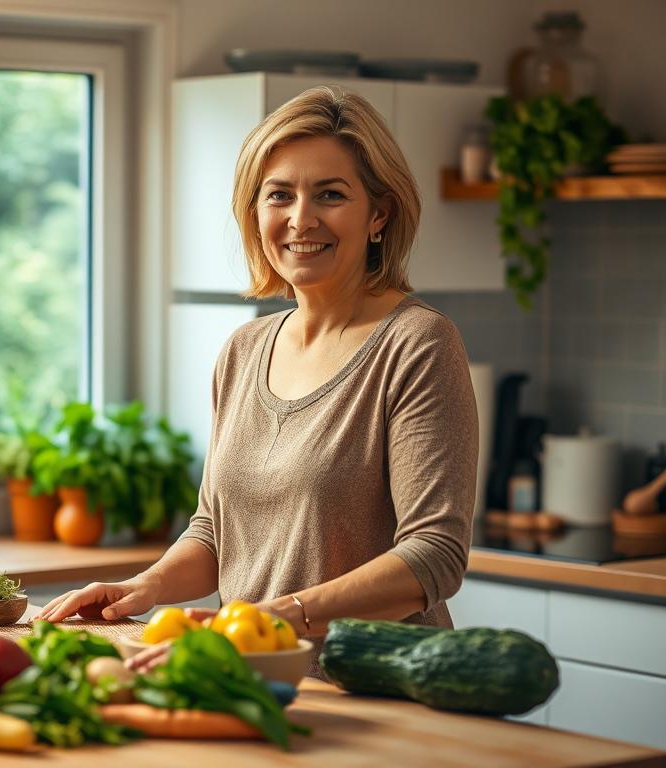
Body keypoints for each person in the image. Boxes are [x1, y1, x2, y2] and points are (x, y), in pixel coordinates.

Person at [36, 85, 479, 676]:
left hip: (373, 689)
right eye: (279, 195)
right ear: (256, 213)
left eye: (330, 194)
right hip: (250, 676)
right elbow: (215, 532)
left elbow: (434, 557)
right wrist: (143, 587)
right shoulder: (244, 350)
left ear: (379, 214)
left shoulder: (417, 344)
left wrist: (276, 619)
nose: (302, 219)